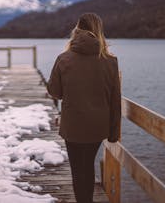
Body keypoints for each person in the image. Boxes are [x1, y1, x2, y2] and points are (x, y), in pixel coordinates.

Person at [47, 12, 121, 203]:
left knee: (78, 170)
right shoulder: (111, 61)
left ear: (77, 30)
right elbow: (115, 101)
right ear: (99, 31)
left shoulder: (64, 58)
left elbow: (55, 92)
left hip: (73, 127)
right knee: (87, 166)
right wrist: (114, 133)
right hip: (98, 127)